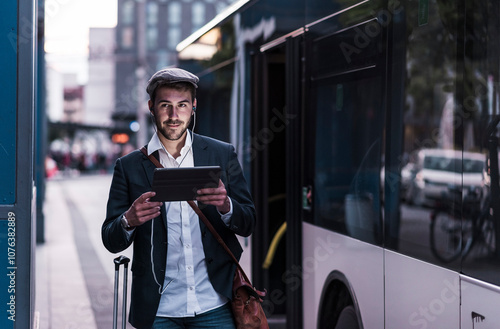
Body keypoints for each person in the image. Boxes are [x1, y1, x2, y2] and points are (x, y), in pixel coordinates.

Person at [102, 68, 256, 329]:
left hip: (214, 304)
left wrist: (226, 205)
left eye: (182, 105)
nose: (174, 116)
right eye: (166, 105)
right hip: (158, 310)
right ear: (151, 107)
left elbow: (248, 222)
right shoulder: (128, 166)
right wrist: (128, 220)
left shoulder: (221, 154)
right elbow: (110, 239)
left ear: (194, 106)